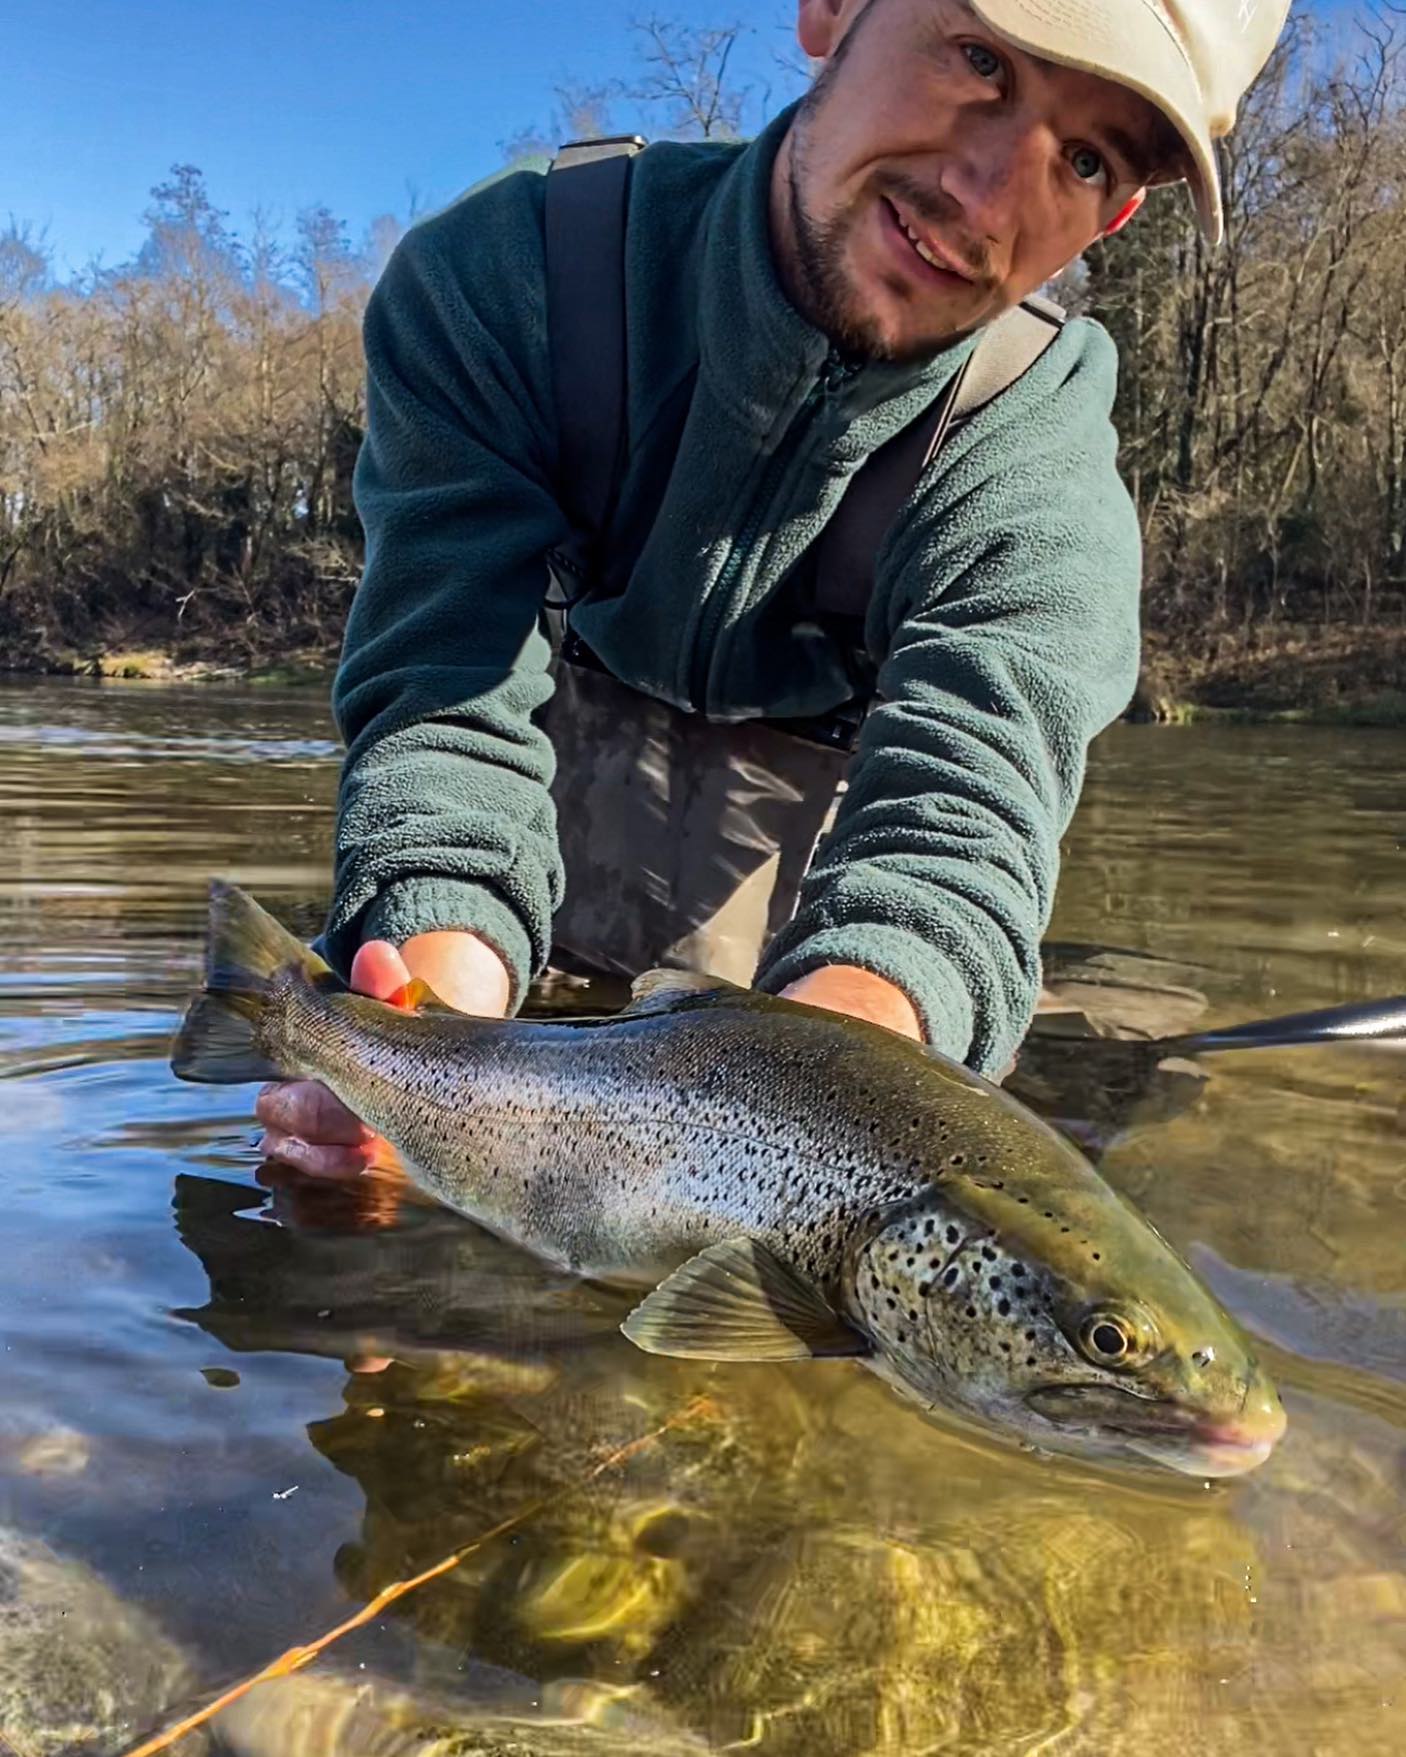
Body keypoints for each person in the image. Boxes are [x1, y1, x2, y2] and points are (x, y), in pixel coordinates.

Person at [257, 0, 1290, 1177]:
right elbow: (445, 708)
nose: (985, 194)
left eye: (1086, 154)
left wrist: (821, 1149)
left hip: (814, 963)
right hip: (522, 876)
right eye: (979, 60)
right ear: (831, 9)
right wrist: (427, 1061)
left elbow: (953, 838)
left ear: (1117, 212)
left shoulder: (1040, 472)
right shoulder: (509, 283)